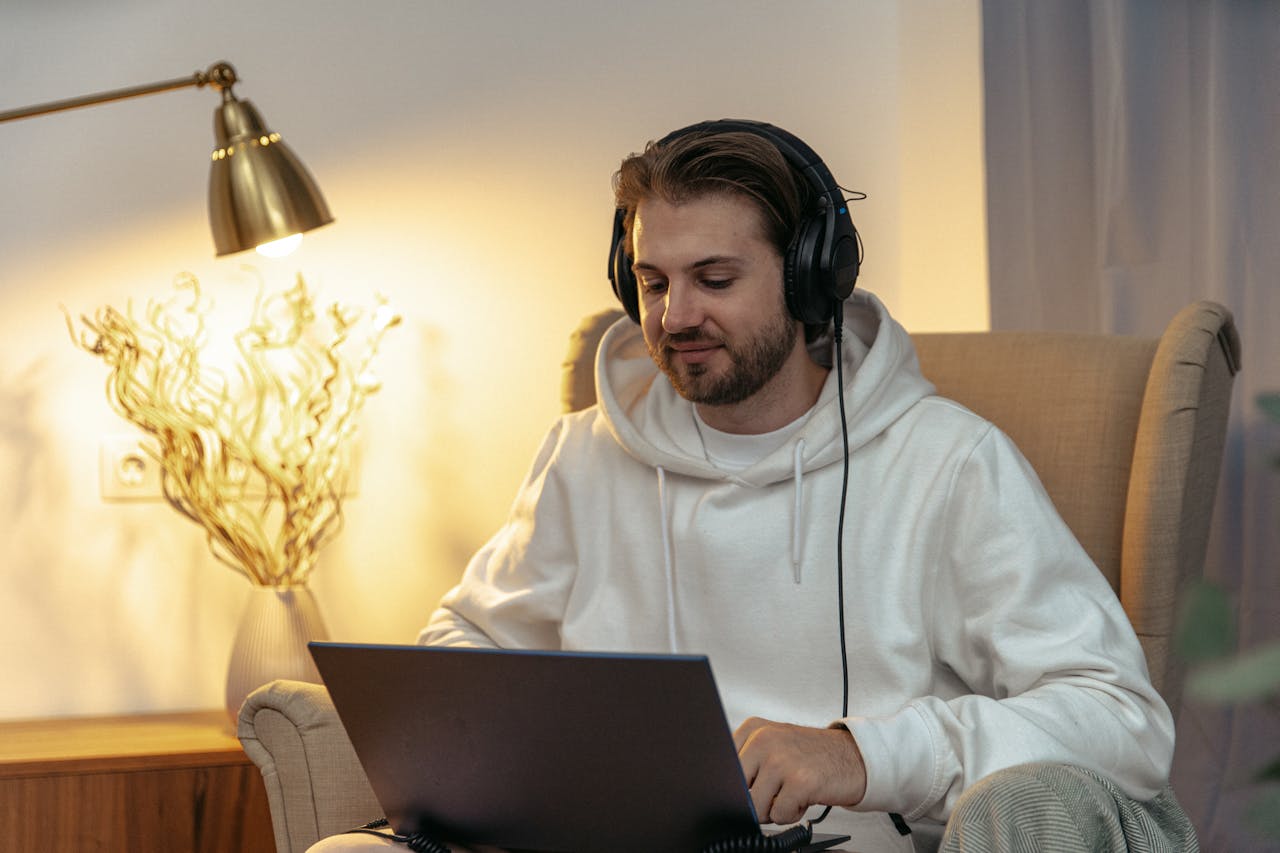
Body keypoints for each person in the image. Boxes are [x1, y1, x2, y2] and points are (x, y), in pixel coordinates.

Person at [312, 121, 1195, 852]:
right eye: (653, 282)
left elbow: (1121, 719)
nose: (674, 317)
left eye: (716, 279)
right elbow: (459, 646)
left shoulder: (951, 465)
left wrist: (864, 754)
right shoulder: (583, 456)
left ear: (811, 279)